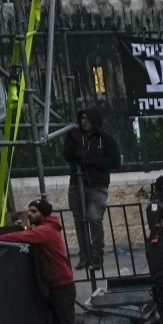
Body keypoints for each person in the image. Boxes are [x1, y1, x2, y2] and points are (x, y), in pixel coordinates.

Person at [61, 107, 117, 271]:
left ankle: (96, 257)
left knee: (93, 218)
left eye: (88, 118)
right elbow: (69, 154)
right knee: (80, 221)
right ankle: (84, 256)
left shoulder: (106, 140)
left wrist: (91, 160)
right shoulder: (74, 137)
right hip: (77, 184)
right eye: (82, 118)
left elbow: (114, 162)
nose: (84, 121)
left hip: (97, 185)